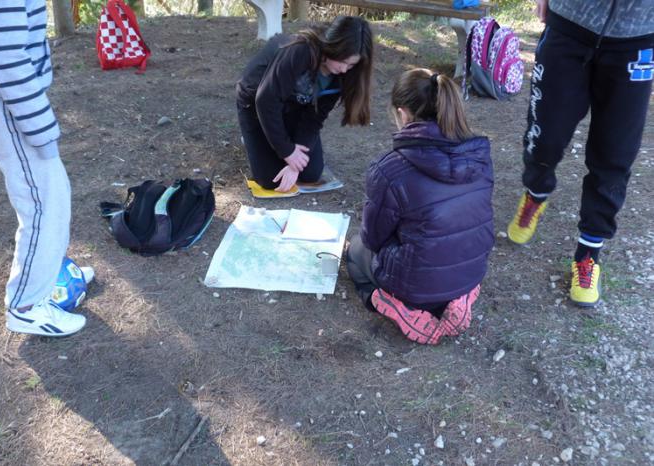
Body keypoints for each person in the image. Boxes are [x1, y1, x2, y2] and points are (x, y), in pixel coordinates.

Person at [0, 0, 90, 336]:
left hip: (5, 104)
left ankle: (46, 276)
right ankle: (26, 306)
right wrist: (42, 130)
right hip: (8, 107)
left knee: (51, 196)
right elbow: (7, 59)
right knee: (44, 204)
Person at [507, 0, 654, 307]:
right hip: (569, 26)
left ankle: (589, 251)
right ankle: (536, 192)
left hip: (637, 39)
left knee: (615, 152)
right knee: (545, 137)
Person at [346, 69, 494, 345]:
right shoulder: (479, 155)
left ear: (403, 114)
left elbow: (373, 239)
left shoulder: (390, 169)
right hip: (470, 272)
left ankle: (397, 306)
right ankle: (459, 297)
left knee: (355, 252)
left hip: (416, 287)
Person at [236, 16, 373, 192]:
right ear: (333, 47)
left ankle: (274, 142)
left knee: (310, 174)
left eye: (351, 65)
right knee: (271, 180)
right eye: (342, 61)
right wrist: (287, 151)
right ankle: (253, 138)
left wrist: (295, 161)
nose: (344, 69)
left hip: (295, 106)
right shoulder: (300, 50)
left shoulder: (342, 76)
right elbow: (266, 101)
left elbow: (314, 118)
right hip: (256, 104)